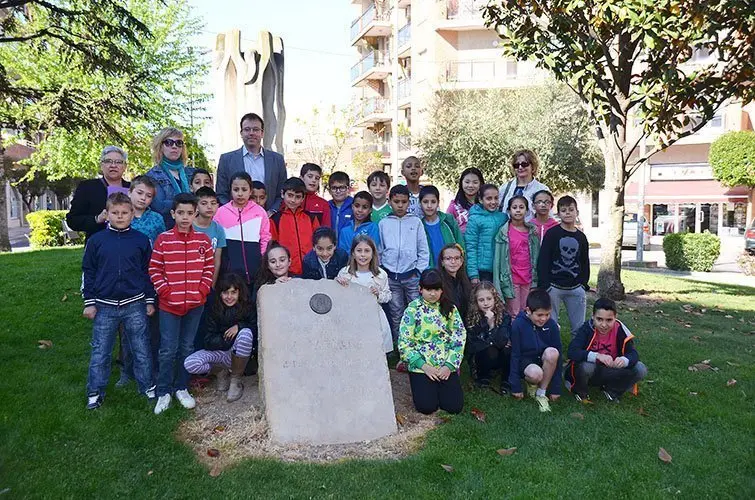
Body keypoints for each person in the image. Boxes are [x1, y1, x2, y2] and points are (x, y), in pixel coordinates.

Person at [82, 193, 155, 409]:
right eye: (115, 213)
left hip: (135, 303)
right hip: (104, 305)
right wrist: (89, 302)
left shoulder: (141, 240)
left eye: (124, 213)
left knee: (141, 348)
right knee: (100, 351)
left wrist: (149, 300)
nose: (120, 216)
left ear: (132, 214)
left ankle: (147, 386)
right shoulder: (96, 241)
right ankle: (95, 392)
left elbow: (148, 272)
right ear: (107, 214)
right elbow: (88, 271)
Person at [149, 193, 215, 415]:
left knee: (187, 347)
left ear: (195, 214)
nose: (185, 217)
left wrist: (201, 291)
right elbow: (155, 270)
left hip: (195, 305)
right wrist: (166, 293)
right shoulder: (164, 240)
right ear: (173, 214)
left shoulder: (203, 241)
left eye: (189, 213)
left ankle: (181, 386)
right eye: (181, 213)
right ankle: (164, 390)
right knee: (168, 349)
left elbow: (208, 269)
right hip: (169, 305)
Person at [398, 269, 466, 415]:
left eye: (436, 289)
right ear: (420, 289)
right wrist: (423, 366)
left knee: (454, 407)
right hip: (422, 365)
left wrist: (449, 365)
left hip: (445, 363)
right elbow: (404, 342)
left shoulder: (450, 309)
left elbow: (459, 336)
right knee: (426, 407)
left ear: (442, 290)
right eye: (428, 289)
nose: (433, 293)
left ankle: (442, 385)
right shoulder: (412, 310)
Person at [184, 274, 256, 403]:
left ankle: (236, 380)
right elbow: (208, 340)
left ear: (240, 292)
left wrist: (239, 326)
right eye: (225, 292)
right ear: (220, 293)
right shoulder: (213, 309)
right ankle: (220, 372)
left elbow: (255, 329)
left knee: (246, 333)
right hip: (219, 353)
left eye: (233, 292)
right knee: (190, 363)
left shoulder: (247, 307)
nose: (229, 297)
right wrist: (226, 340)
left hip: (238, 354)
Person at [566, 298, 648, 402]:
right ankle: (580, 392)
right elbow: (572, 352)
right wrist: (597, 356)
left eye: (609, 320)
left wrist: (624, 360)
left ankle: (613, 391)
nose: (604, 325)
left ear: (615, 318)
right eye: (599, 319)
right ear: (593, 317)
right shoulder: (586, 328)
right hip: (590, 370)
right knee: (586, 366)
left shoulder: (620, 329)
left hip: (611, 370)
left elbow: (633, 354)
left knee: (640, 368)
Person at [378, 185, 430, 344]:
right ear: (389, 202)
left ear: (409, 202)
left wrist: (418, 271)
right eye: (396, 201)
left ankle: (418, 343)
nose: (400, 205)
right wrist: (382, 270)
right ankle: (400, 347)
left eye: (404, 202)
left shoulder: (416, 222)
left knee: (415, 311)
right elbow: (379, 249)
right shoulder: (384, 223)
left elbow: (423, 250)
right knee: (396, 312)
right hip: (391, 277)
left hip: (412, 276)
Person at [537, 195, 590, 337]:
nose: (567, 213)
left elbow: (585, 261)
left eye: (571, 209)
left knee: (579, 328)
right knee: (551, 326)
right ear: (558, 213)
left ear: (576, 212)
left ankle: (577, 356)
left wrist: (583, 284)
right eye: (564, 210)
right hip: (553, 287)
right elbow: (543, 259)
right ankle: (553, 354)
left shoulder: (581, 237)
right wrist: (545, 284)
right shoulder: (552, 234)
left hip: (575, 287)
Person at [215, 112, 286, 211]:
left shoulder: (277, 160)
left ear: (262, 133)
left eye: (256, 129)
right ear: (241, 133)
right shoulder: (226, 160)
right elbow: (221, 194)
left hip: (269, 218)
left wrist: (271, 212)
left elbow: (281, 194)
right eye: (247, 129)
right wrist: (235, 213)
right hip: (237, 220)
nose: (251, 133)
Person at [336, 234, 393, 353]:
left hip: (374, 316)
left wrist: (378, 294)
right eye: (359, 251)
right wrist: (339, 284)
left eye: (367, 251)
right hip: (352, 317)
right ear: (353, 253)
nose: (363, 255)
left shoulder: (381, 274)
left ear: (373, 254)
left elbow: (387, 296)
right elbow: (337, 298)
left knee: (374, 349)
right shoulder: (345, 273)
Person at [508, 289, 562, 413]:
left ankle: (541, 393)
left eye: (547, 314)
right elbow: (515, 355)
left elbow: (558, 356)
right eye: (539, 315)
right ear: (528, 310)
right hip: (526, 362)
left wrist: (556, 388)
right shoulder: (518, 325)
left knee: (553, 353)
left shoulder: (552, 325)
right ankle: (531, 383)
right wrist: (515, 386)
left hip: (543, 360)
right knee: (535, 374)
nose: (543, 319)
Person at [213, 172, 271, 286]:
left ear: (250, 191)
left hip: (255, 271)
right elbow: (215, 240)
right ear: (230, 190)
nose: (240, 194)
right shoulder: (220, 212)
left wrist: (261, 258)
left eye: (244, 190)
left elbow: (265, 237)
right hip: (229, 272)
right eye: (236, 189)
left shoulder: (259, 212)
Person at [67, 145, 130, 240]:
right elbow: (73, 220)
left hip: (129, 243)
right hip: (97, 245)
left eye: (118, 162)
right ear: (101, 165)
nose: (113, 165)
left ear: (125, 166)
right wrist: (97, 219)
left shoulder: (132, 188)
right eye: (108, 161)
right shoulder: (87, 187)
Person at [494, 196, 540, 317]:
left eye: (521, 207)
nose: (518, 210)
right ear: (509, 211)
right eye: (514, 207)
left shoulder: (532, 232)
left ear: (527, 211)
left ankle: (525, 335)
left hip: (528, 278)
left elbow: (536, 255)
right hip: (511, 279)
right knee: (514, 313)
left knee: (527, 311)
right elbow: (498, 260)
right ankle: (514, 336)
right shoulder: (503, 232)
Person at [269, 177, 321, 276]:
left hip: (311, 269)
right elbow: (273, 247)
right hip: (287, 271)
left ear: (303, 198)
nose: (293, 200)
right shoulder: (275, 219)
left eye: (297, 197)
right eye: (290, 195)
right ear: (282, 194)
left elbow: (318, 242)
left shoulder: (310, 218)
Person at [145, 127, 196, 228]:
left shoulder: (192, 173)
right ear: (160, 146)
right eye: (168, 142)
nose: (174, 146)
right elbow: (160, 206)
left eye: (179, 143)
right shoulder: (152, 175)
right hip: (167, 229)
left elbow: (203, 200)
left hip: (193, 229)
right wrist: (189, 203)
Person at [466, 282, 511, 392]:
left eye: (489, 299)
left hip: (500, 354)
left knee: (508, 348)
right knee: (489, 349)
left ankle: (506, 380)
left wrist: (492, 325)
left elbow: (502, 341)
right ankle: (483, 377)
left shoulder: (504, 316)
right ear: (476, 302)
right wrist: (490, 334)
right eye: (481, 300)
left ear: (494, 299)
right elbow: (474, 345)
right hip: (480, 357)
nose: (486, 303)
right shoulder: (472, 317)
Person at [465, 184, 508, 284]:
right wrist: (473, 274)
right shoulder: (475, 219)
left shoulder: (503, 217)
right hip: (482, 270)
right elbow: (471, 247)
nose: (493, 202)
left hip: (500, 268)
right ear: (480, 200)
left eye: (496, 198)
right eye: (489, 198)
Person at [497, 149, 550, 221]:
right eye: (516, 165)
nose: (520, 167)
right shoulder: (504, 188)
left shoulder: (542, 189)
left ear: (533, 166)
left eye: (524, 164)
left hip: (533, 231)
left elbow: (549, 217)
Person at [420, 185, 464, 268]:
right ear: (420, 203)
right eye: (425, 202)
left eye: (433, 202)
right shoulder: (419, 226)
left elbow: (460, 244)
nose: (429, 206)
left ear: (438, 203)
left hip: (451, 270)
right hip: (431, 273)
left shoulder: (448, 220)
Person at [193, 187, 226, 287]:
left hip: (207, 279)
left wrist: (212, 284)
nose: (209, 207)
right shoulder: (188, 226)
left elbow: (217, 260)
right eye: (204, 203)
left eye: (213, 203)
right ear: (196, 206)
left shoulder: (218, 229)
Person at [436, 243, 473, 324]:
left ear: (461, 261)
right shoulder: (437, 282)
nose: (453, 262)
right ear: (442, 262)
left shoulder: (466, 281)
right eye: (448, 258)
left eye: (457, 258)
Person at [128, 175, 165, 245]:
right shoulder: (121, 215)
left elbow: (162, 243)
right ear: (129, 193)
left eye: (148, 196)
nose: (143, 198)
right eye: (139, 193)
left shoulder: (157, 219)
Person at [447, 167, 484, 234]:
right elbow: (448, 230)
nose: (470, 185)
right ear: (461, 183)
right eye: (467, 182)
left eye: (475, 182)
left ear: (480, 184)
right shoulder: (454, 207)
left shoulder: (486, 205)